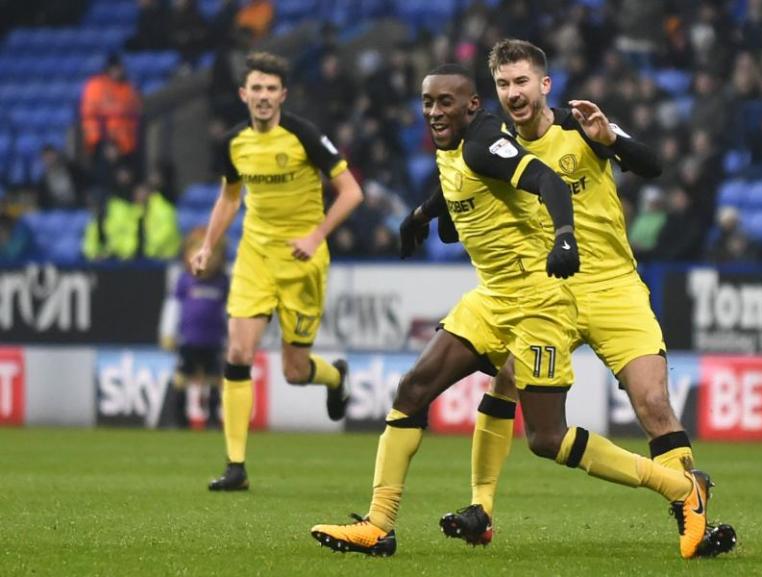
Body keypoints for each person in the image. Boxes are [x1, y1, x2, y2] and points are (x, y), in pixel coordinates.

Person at [309, 63, 710, 560]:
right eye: (428, 102)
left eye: (445, 103)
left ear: (475, 104)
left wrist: (565, 236)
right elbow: (463, 179)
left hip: (541, 298)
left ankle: (680, 488)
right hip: (495, 295)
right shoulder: (462, 142)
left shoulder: (500, 138)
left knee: (547, 437)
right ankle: (379, 524)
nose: (435, 111)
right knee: (413, 388)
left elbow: (552, 182)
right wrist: (421, 216)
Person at [435, 40, 733, 558]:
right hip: (549, 288)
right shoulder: (495, 142)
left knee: (653, 402)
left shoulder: (581, 124)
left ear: (544, 84)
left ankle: (693, 513)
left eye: (522, 82)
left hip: (613, 285)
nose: (513, 93)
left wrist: (611, 137)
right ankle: (480, 507)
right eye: (504, 84)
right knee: (507, 379)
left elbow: (654, 165)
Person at [190, 52, 363, 491]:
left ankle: (335, 376)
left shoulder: (304, 135)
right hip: (254, 256)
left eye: (271, 89)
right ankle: (235, 466)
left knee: (293, 370)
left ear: (282, 95)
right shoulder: (234, 143)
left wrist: (316, 235)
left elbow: (351, 192)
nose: (263, 97)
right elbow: (229, 198)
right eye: (257, 89)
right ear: (243, 94)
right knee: (238, 354)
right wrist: (208, 247)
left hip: (302, 262)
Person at [160, 227, 229, 429]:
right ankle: (177, 418)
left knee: (214, 379)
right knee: (181, 378)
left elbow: (230, 312)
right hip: (188, 340)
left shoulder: (223, 282)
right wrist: (167, 333)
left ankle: (213, 418)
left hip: (214, 340)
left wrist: (232, 339)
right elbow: (173, 307)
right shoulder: (183, 281)